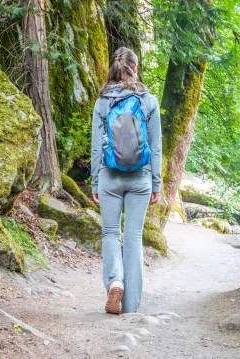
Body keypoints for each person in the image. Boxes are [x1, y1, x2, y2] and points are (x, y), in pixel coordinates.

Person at [90, 47, 162, 314]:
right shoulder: (148, 101)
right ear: (134, 68)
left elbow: (97, 148)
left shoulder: (102, 102)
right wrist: (156, 184)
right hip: (141, 178)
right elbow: (155, 148)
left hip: (109, 176)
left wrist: (96, 183)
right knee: (133, 237)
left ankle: (115, 281)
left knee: (110, 232)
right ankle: (131, 308)